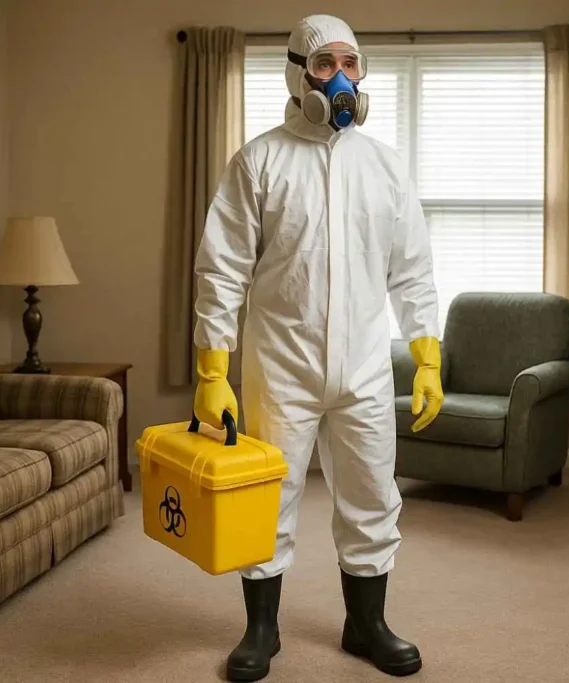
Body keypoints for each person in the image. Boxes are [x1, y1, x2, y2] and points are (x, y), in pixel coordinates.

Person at [191, 14, 443, 681]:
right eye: (326, 64)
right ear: (297, 72)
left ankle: (366, 624)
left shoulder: (384, 167)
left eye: (352, 64)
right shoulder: (260, 161)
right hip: (282, 365)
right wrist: (212, 366)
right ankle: (262, 629)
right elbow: (221, 269)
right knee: (266, 499)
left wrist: (427, 356)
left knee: (370, 494)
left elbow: (411, 269)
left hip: (364, 364)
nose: (341, 79)